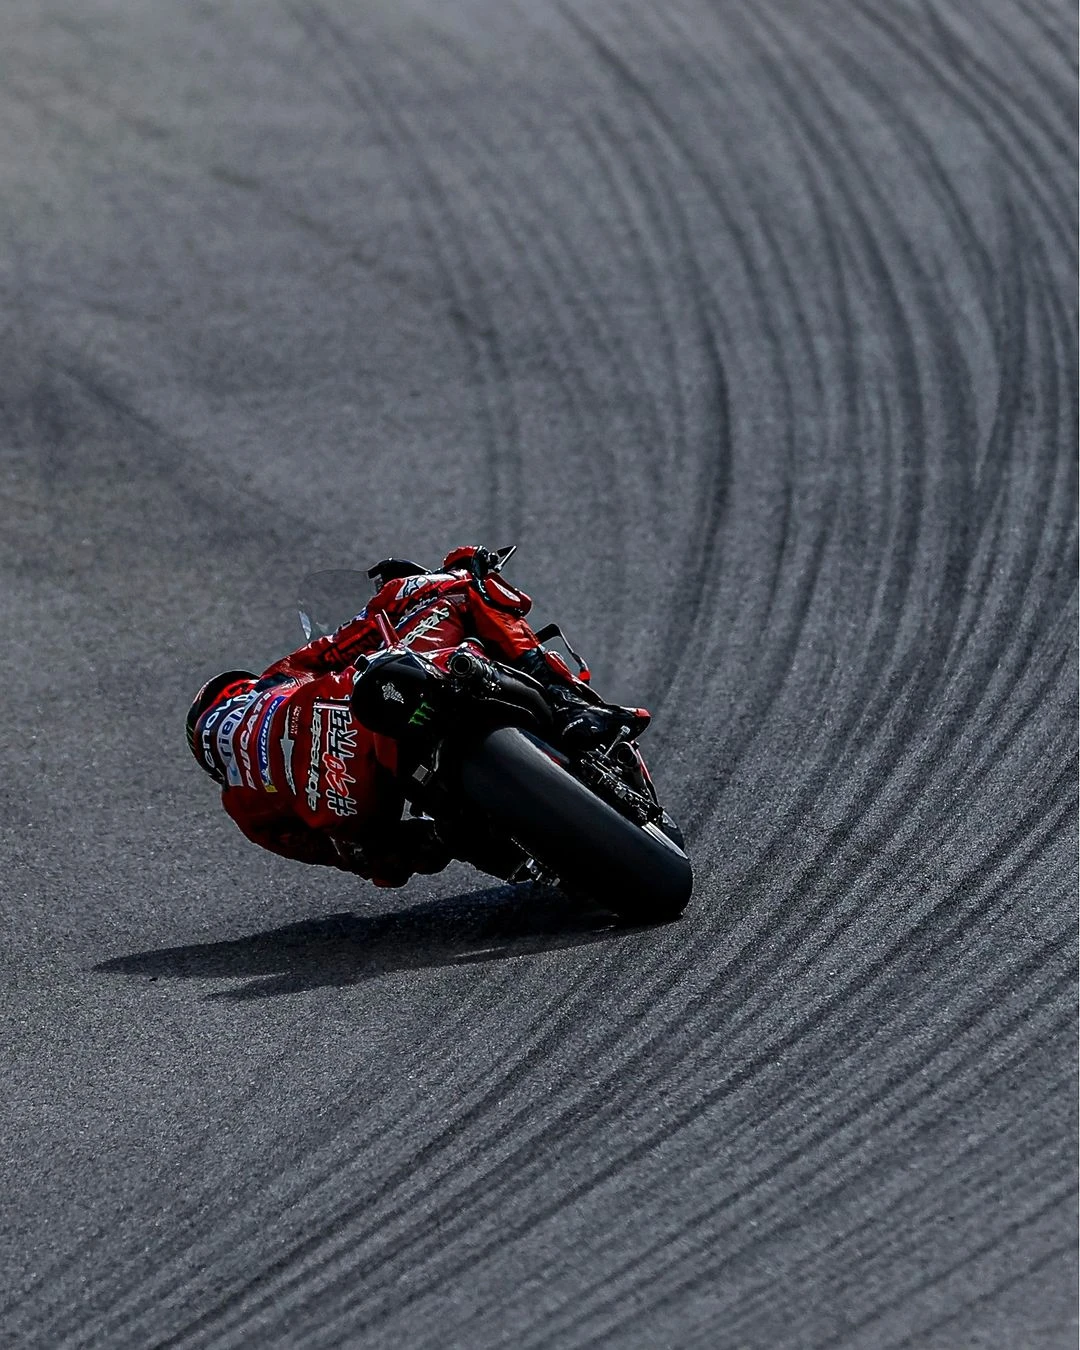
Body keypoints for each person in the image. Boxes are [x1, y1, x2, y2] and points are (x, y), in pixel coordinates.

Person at [186, 546, 632, 888]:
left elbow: (358, 860)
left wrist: (419, 850)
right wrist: (413, 588)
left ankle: (502, 852)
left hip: (351, 804)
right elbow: (341, 645)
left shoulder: (244, 807)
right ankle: (571, 703)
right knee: (460, 585)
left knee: (431, 837)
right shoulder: (274, 683)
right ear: (235, 690)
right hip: (357, 713)